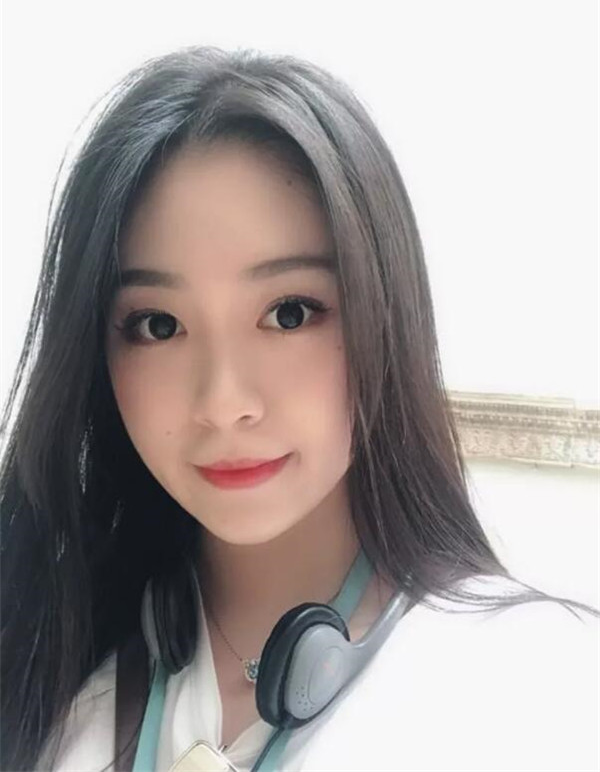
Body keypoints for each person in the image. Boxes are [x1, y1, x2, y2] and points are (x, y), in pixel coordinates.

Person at [0, 45, 597, 772]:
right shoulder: (47, 659)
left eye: (289, 313)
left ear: (385, 316)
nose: (223, 403)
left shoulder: (532, 683)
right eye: (158, 324)